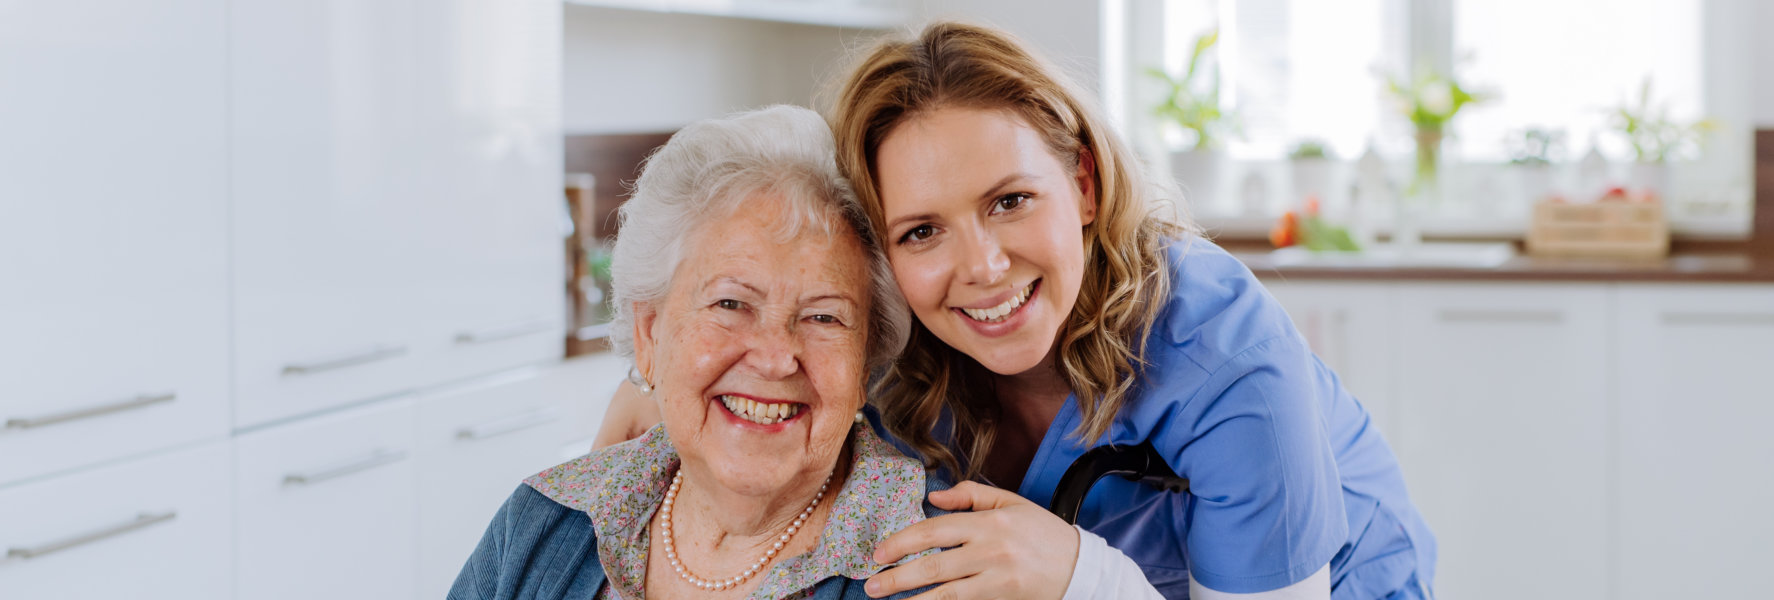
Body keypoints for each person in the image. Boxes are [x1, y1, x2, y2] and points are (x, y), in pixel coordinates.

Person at [600, 22, 1437, 600]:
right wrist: (671, 381)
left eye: (1009, 201)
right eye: (923, 229)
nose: (982, 269)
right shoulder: (885, 340)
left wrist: (1080, 576)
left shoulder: (1221, 356)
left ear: (1081, 184)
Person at [452, 105, 937, 600]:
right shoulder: (542, 521)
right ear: (649, 334)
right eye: (730, 303)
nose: (774, 358)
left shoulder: (936, 570)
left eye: (823, 317)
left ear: (864, 365)